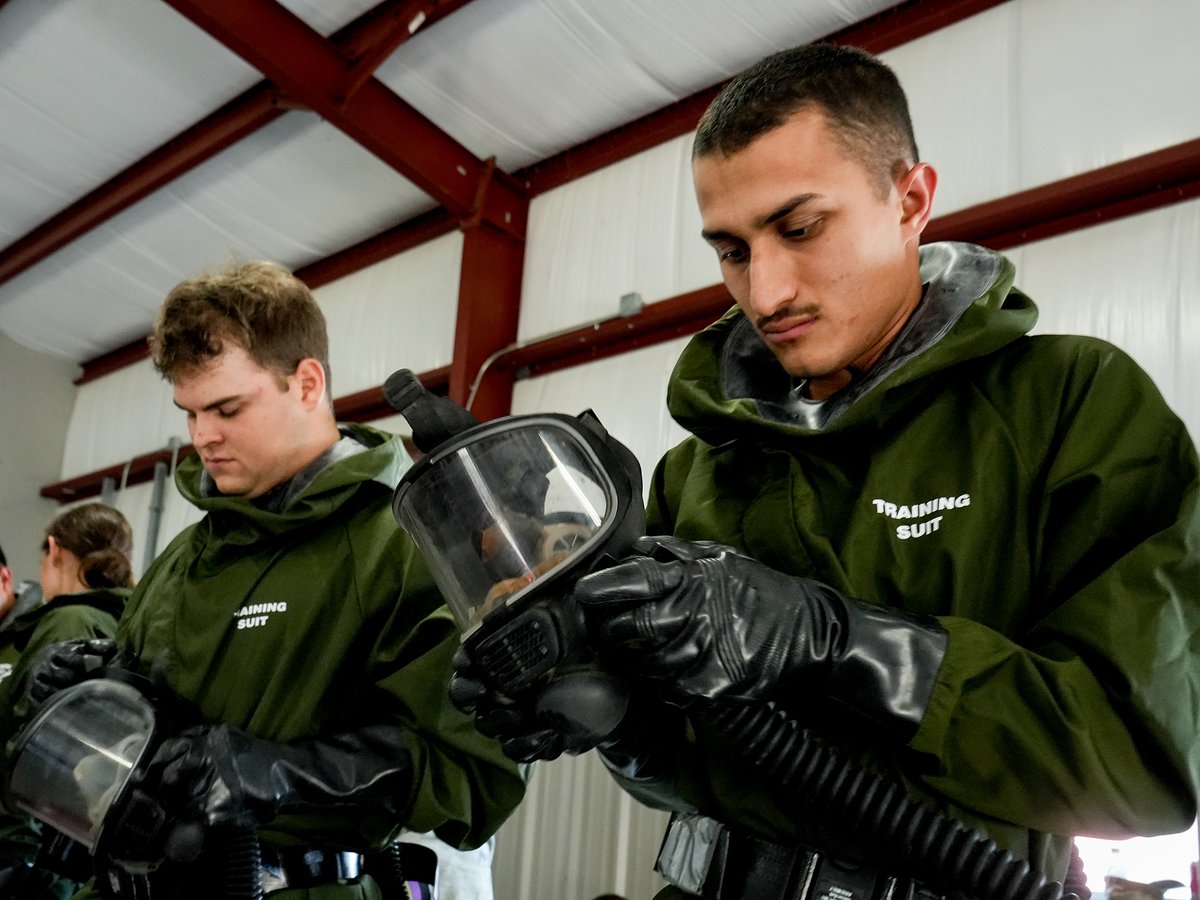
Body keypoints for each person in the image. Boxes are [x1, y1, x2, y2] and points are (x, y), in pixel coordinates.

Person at [452, 43, 1200, 900]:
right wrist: (614, 722)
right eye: (731, 250)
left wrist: (834, 640)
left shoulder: (1069, 403)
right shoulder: (697, 469)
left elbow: (1143, 761)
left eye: (800, 229)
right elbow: (694, 773)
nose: (763, 293)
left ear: (911, 199)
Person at [19, 261, 525, 899]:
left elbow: (470, 774)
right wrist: (101, 689)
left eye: (226, 408)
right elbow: (165, 734)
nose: (202, 436)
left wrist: (282, 770)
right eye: (189, 412)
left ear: (306, 382)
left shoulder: (408, 540)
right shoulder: (185, 557)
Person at [0, 504, 134, 899]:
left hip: (28, 843)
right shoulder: (122, 618)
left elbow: (33, 743)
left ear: (54, 551)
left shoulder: (68, 621)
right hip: (65, 839)